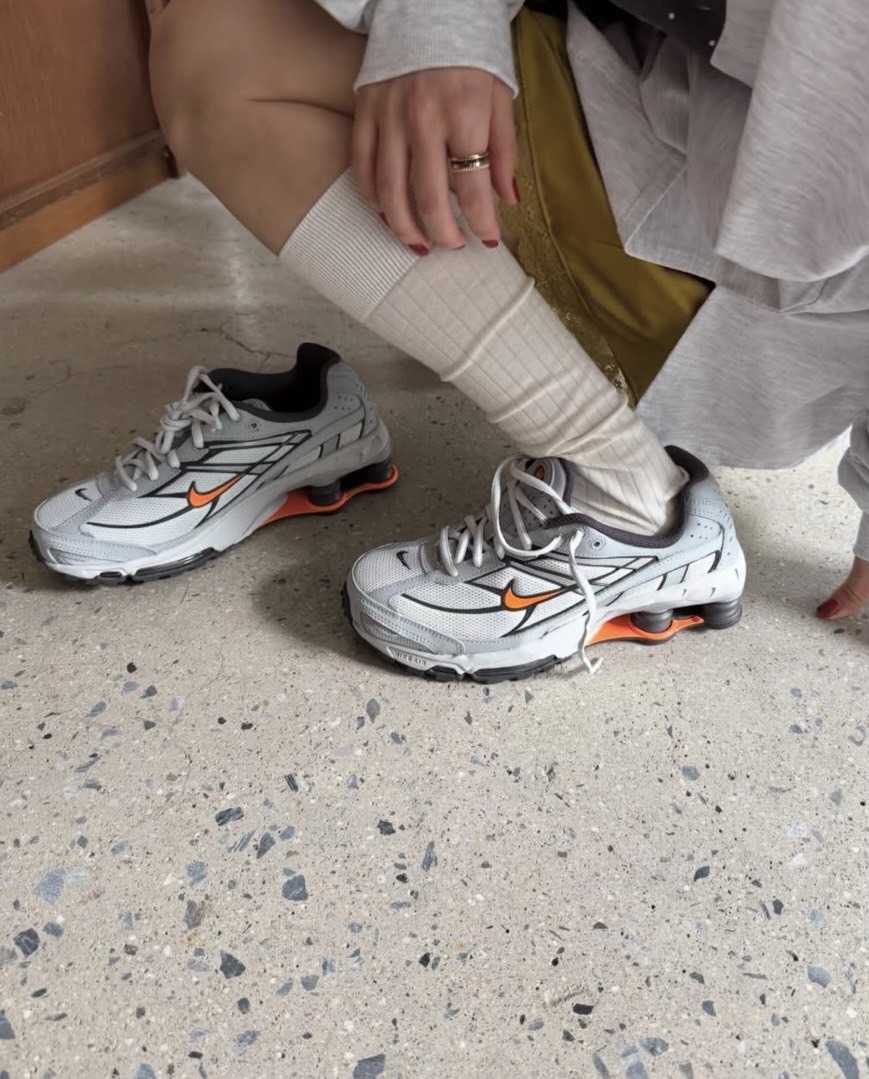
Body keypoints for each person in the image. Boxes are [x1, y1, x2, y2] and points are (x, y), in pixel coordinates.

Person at [30, 0, 869, 680]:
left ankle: (632, 504)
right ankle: (340, 426)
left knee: (224, 51)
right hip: (645, 96)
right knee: (223, 29)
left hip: (764, 262)